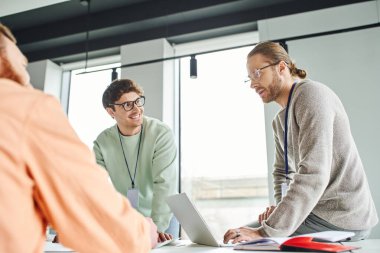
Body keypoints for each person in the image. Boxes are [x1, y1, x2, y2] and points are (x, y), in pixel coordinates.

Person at [0, 23, 158, 253]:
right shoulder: (24, 106)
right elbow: (91, 208)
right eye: (16, 47)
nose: (24, 59)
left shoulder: (158, 132)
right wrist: (142, 232)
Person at [224, 41, 378, 243]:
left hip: (342, 217)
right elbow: (281, 173)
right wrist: (280, 211)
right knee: (239, 235)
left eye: (257, 73)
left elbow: (313, 173)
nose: (252, 83)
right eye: (249, 78)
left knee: (247, 239)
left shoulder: (311, 95)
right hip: (315, 214)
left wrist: (268, 230)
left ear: (281, 67)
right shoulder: (279, 120)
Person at [93, 79, 178, 240]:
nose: (137, 109)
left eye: (138, 101)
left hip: (162, 213)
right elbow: (95, 187)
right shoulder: (103, 142)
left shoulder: (161, 133)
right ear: (111, 112)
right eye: (127, 105)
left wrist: (157, 227)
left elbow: (165, 183)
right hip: (129, 217)